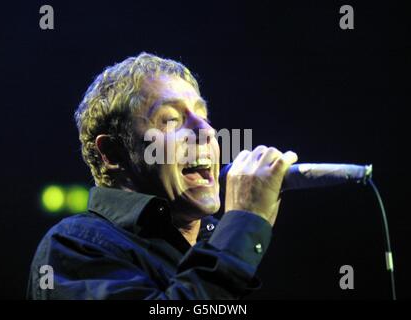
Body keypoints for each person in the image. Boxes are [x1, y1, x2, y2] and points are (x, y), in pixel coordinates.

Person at [27, 52, 298, 299]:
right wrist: (242, 227)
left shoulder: (216, 239)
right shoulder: (73, 247)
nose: (207, 131)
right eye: (170, 120)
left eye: (203, 116)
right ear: (113, 153)